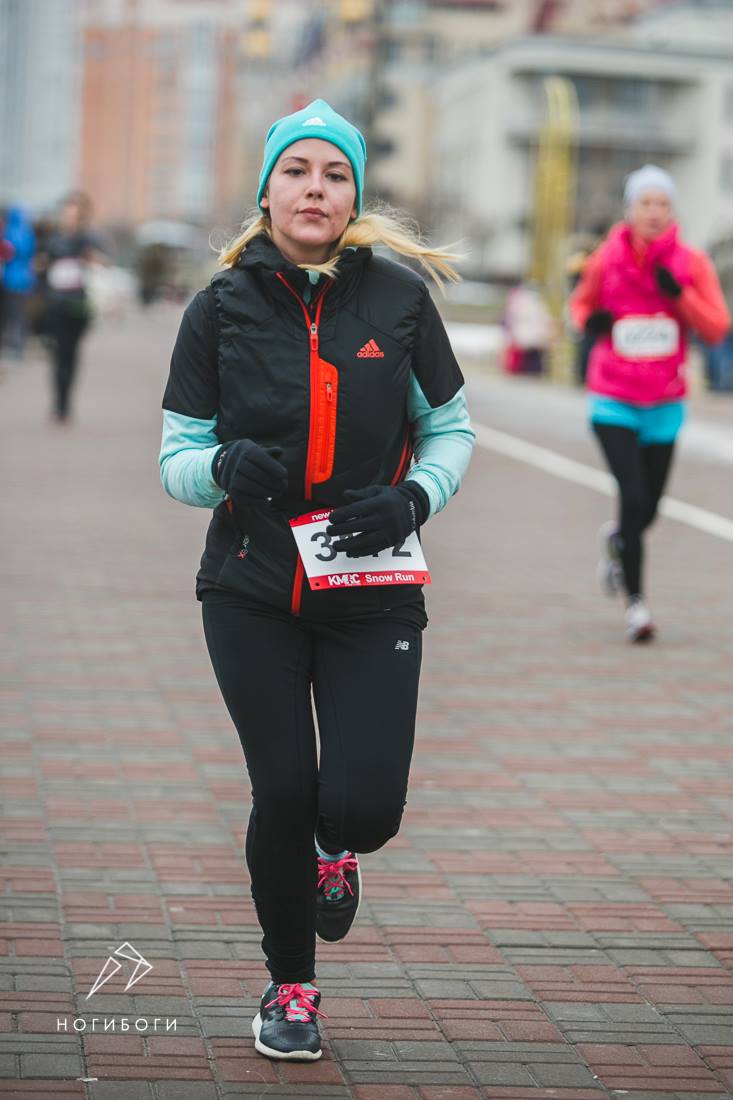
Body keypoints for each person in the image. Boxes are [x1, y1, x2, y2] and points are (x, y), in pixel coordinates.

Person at [158, 99, 475, 1062]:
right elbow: (177, 456)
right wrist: (222, 467)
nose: (315, 189)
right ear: (267, 191)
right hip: (249, 585)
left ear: (354, 197)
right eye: (296, 171)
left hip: (371, 587)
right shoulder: (219, 308)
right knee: (284, 788)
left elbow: (450, 430)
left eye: (335, 175)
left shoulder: (400, 301)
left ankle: (339, 851)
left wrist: (413, 498)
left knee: (364, 806)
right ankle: (290, 985)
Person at [569, 164, 730, 642]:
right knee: (633, 496)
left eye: (663, 204)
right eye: (645, 203)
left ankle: (619, 540)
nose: (654, 212)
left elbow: (717, 327)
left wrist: (680, 296)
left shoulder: (690, 261)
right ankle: (636, 606)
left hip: (664, 402)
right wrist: (591, 322)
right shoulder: (606, 258)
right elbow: (580, 306)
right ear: (630, 209)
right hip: (613, 399)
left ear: (672, 210)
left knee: (650, 510)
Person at [36, 191, 106, 422]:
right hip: (55, 304)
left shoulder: (88, 239)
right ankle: (58, 404)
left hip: (78, 307)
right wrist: (40, 265)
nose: (69, 219)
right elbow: (39, 267)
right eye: (66, 214)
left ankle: (66, 402)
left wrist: (92, 258)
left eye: (74, 215)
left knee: (72, 355)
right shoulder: (53, 240)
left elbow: (105, 261)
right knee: (58, 354)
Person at [0, 205, 36, 359]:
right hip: (24, 280)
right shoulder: (28, 233)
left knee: (8, 315)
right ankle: (18, 346)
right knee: (19, 315)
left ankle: (9, 345)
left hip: (9, 280)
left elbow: (7, 254)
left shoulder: (8, 233)